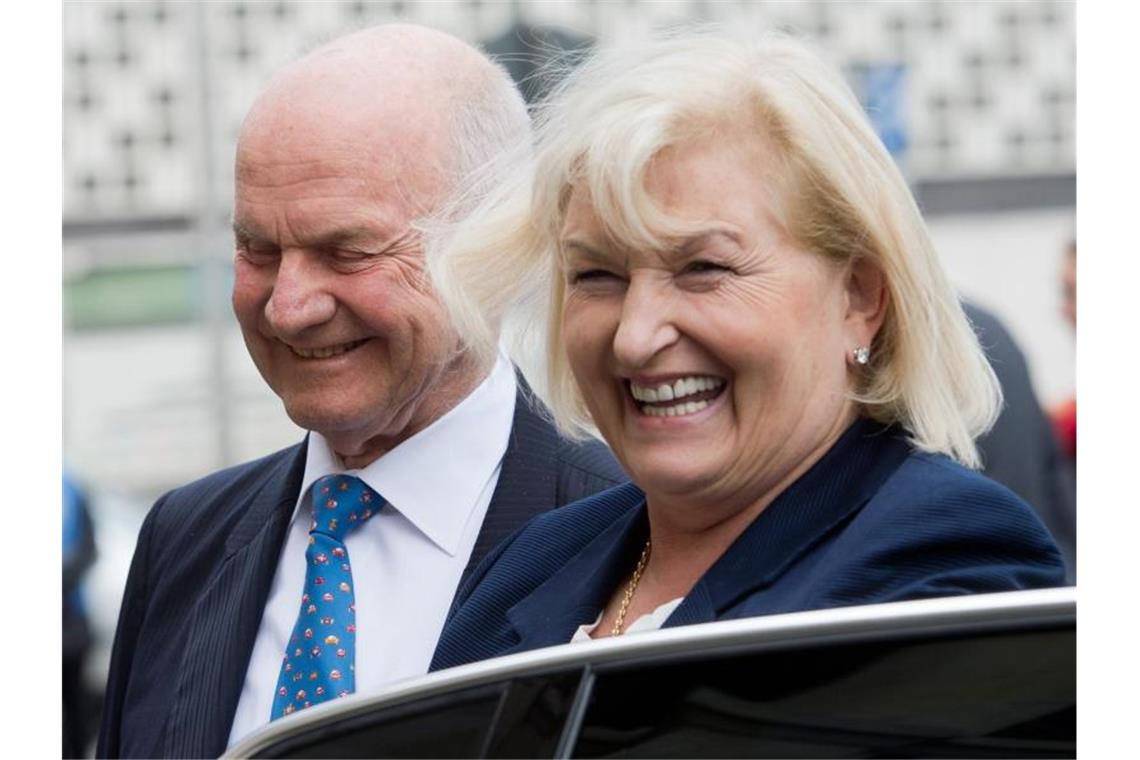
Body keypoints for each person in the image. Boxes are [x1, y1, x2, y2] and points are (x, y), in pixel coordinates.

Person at [425, 30, 1066, 671]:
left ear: (859, 298)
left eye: (704, 267)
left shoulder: (948, 557)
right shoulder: (529, 564)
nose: (635, 336)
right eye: (597, 276)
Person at [97, 25, 625, 759]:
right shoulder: (185, 539)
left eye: (345, 252)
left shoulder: (635, 541)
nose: (288, 306)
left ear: (493, 245)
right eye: (258, 249)